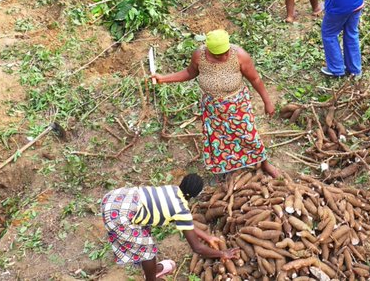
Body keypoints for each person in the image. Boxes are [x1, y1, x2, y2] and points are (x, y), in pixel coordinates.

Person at [151, 30, 281, 178]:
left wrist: (267, 102)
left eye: (226, 52)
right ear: (209, 50)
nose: (224, 57)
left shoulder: (239, 55)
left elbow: (255, 79)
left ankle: (264, 163)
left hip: (237, 105)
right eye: (218, 55)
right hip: (213, 109)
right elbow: (189, 73)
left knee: (249, 135)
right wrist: (164, 78)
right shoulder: (199, 56)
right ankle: (226, 169)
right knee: (219, 141)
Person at [100, 173, 237, 280]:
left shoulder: (172, 190)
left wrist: (207, 237)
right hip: (118, 215)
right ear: (195, 195)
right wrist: (222, 253)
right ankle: (151, 278)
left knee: (144, 238)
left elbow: (183, 223)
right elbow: (197, 248)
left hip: (116, 197)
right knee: (147, 251)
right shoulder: (181, 210)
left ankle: (154, 270)